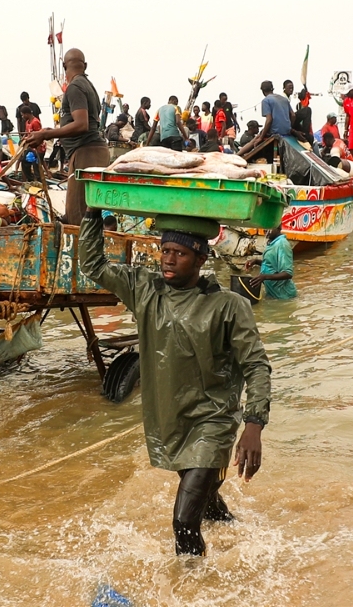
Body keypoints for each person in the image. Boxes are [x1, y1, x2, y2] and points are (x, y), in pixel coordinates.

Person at [78, 210, 270, 556]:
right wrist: (93, 212)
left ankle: (189, 588)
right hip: (169, 419)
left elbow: (256, 365)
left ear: (200, 258)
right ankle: (242, 539)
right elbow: (94, 265)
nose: (168, 259)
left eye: (179, 253)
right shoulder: (145, 290)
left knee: (183, 522)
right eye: (165, 251)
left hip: (212, 422)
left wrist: (253, 424)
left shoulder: (229, 306)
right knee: (206, 502)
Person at [21, 48, 109, 225]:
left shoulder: (75, 87)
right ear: (85, 66)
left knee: (77, 218)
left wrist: (46, 134)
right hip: (96, 152)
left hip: (86, 154)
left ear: (63, 66)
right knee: (89, 214)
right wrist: (50, 130)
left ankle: (78, 252)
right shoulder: (89, 86)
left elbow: (82, 124)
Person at [244, 225, 296, 299]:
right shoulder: (272, 243)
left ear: (279, 227)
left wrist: (264, 277)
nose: (266, 230)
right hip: (272, 293)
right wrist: (256, 261)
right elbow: (272, 265)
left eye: (269, 227)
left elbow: (288, 273)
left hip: (284, 296)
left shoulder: (282, 244)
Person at [256, 80, 292, 161]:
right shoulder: (284, 99)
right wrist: (289, 127)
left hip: (275, 132)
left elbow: (269, 120)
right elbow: (293, 115)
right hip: (286, 131)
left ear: (263, 91)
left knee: (256, 139)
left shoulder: (266, 100)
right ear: (272, 89)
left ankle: (239, 154)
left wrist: (261, 138)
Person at [20, 105, 46, 181]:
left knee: (37, 167)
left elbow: (39, 137)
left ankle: (40, 183)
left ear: (26, 114)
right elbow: (27, 133)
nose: (22, 117)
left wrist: (37, 151)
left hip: (39, 148)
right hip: (31, 147)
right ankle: (31, 179)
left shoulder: (35, 122)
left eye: (23, 115)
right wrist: (24, 138)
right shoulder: (27, 122)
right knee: (24, 162)